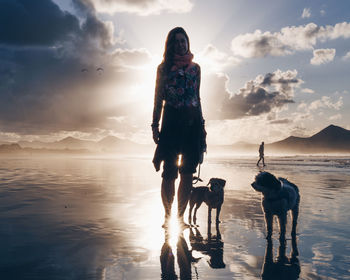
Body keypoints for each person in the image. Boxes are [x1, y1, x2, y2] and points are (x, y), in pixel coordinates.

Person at [151, 27, 206, 228]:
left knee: (187, 173)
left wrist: (202, 127)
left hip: (192, 126)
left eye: (183, 40)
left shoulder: (196, 69)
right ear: (170, 45)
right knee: (169, 172)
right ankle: (167, 217)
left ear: (187, 43)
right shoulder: (163, 69)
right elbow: (158, 99)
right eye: (176, 41)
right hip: (171, 124)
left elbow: (197, 98)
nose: (180, 44)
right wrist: (154, 125)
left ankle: (180, 218)